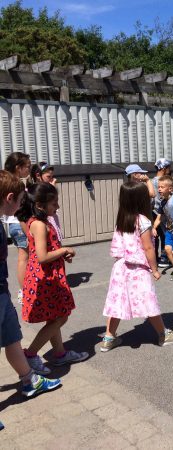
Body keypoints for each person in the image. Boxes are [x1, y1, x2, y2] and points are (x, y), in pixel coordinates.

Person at [100, 182, 173, 351]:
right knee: (148, 300)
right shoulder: (142, 220)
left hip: (120, 267)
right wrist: (154, 269)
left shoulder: (121, 219)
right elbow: (148, 248)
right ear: (140, 200)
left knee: (117, 301)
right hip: (137, 269)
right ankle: (163, 335)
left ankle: (109, 337)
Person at [0, 171, 61, 406]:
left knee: (13, 339)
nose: (20, 206)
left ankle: (29, 380)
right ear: (10, 198)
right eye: (19, 201)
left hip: (2, 291)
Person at [16, 183, 88, 374]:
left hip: (48, 276)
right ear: (40, 205)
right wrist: (64, 250)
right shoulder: (39, 224)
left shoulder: (38, 221)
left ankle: (59, 353)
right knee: (61, 316)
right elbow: (42, 256)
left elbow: (46, 251)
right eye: (54, 203)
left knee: (54, 317)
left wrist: (60, 254)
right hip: (45, 279)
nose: (57, 206)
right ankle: (30, 354)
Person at [2, 152, 31, 304]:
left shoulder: (11, 183)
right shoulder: (16, 185)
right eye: (27, 166)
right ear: (18, 167)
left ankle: (24, 290)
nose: (29, 169)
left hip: (15, 225)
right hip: (19, 224)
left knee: (23, 258)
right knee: (24, 258)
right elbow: (20, 212)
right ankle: (24, 291)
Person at [30, 162, 62, 243]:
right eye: (48, 177)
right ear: (38, 176)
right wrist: (52, 189)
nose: (53, 179)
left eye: (52, 176)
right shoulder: (35, 192)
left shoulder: (49, 189)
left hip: (51, 221)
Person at [152, 159, 171, 267]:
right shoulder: (162, 182)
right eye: (169, 167)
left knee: (155, 236)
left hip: (153, 212)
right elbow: (163, 199)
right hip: (162, 212)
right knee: (165, 234)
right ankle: (164, 258)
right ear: (164, 168)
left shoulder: (152, 181)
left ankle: (155, 257)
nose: (170, 170)